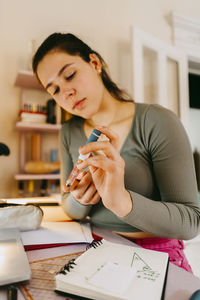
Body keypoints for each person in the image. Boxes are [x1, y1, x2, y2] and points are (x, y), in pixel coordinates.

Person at [32, 32, 200, 273]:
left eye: (70, 75)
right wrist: (80, 198)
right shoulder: (69, 132)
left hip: (155, 256)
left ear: (95, 63)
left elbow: (191, 221)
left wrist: (121, 201)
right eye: (55, 90)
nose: (66, 92)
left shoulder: (156, 121)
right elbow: (68, 202)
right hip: (95, 250)